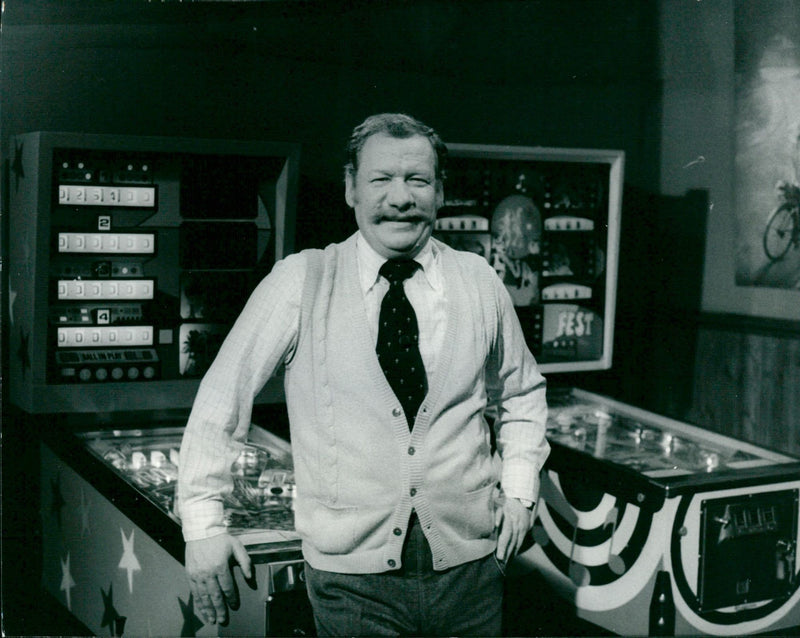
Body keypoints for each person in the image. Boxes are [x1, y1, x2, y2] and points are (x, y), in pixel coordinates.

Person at [177, 112, 550, 636]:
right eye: (380, 180)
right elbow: (221, 400)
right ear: (351, 187)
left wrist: (519, 491)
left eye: (417, 180)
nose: (400, 198)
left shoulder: (479, 280)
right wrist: (201, 525)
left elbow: (523, 392)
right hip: (351, 587)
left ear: (440, 192)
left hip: (472, 576)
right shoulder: (301, 280)